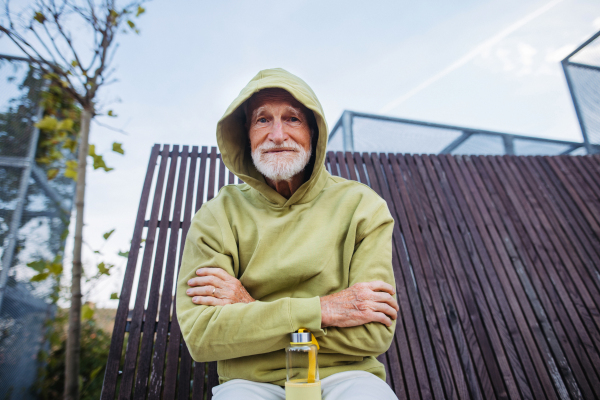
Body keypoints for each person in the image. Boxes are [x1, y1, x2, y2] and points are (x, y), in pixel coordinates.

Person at [176, 68, 399, 400]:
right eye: (262, 120)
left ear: (313, 131)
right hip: (250, 383)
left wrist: (248, 307)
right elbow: (202, 335)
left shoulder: (362, 206)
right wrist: (324, 310)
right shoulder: (216, 215)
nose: (277, 135)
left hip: (346, 376)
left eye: (292, 119)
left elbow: (372, 334)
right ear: (245, 135)